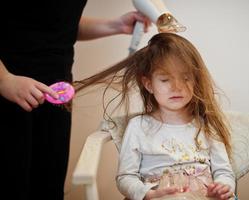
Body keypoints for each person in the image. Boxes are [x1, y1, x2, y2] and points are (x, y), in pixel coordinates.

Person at [0, 0, 150, 199]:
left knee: (47, 184)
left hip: (55, 95)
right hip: (9, 89)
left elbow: (54, 23)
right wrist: (4, 80)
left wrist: (114, 25)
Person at [75, 33, 236, 200]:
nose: (177, 87)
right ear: (149, 85)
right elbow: (126, 177)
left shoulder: (206, 125)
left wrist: (223, 187)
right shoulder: (139, 126)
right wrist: (147, 194)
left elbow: (223, 171)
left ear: (195, 80)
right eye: (165, 80)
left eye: (186, 78)